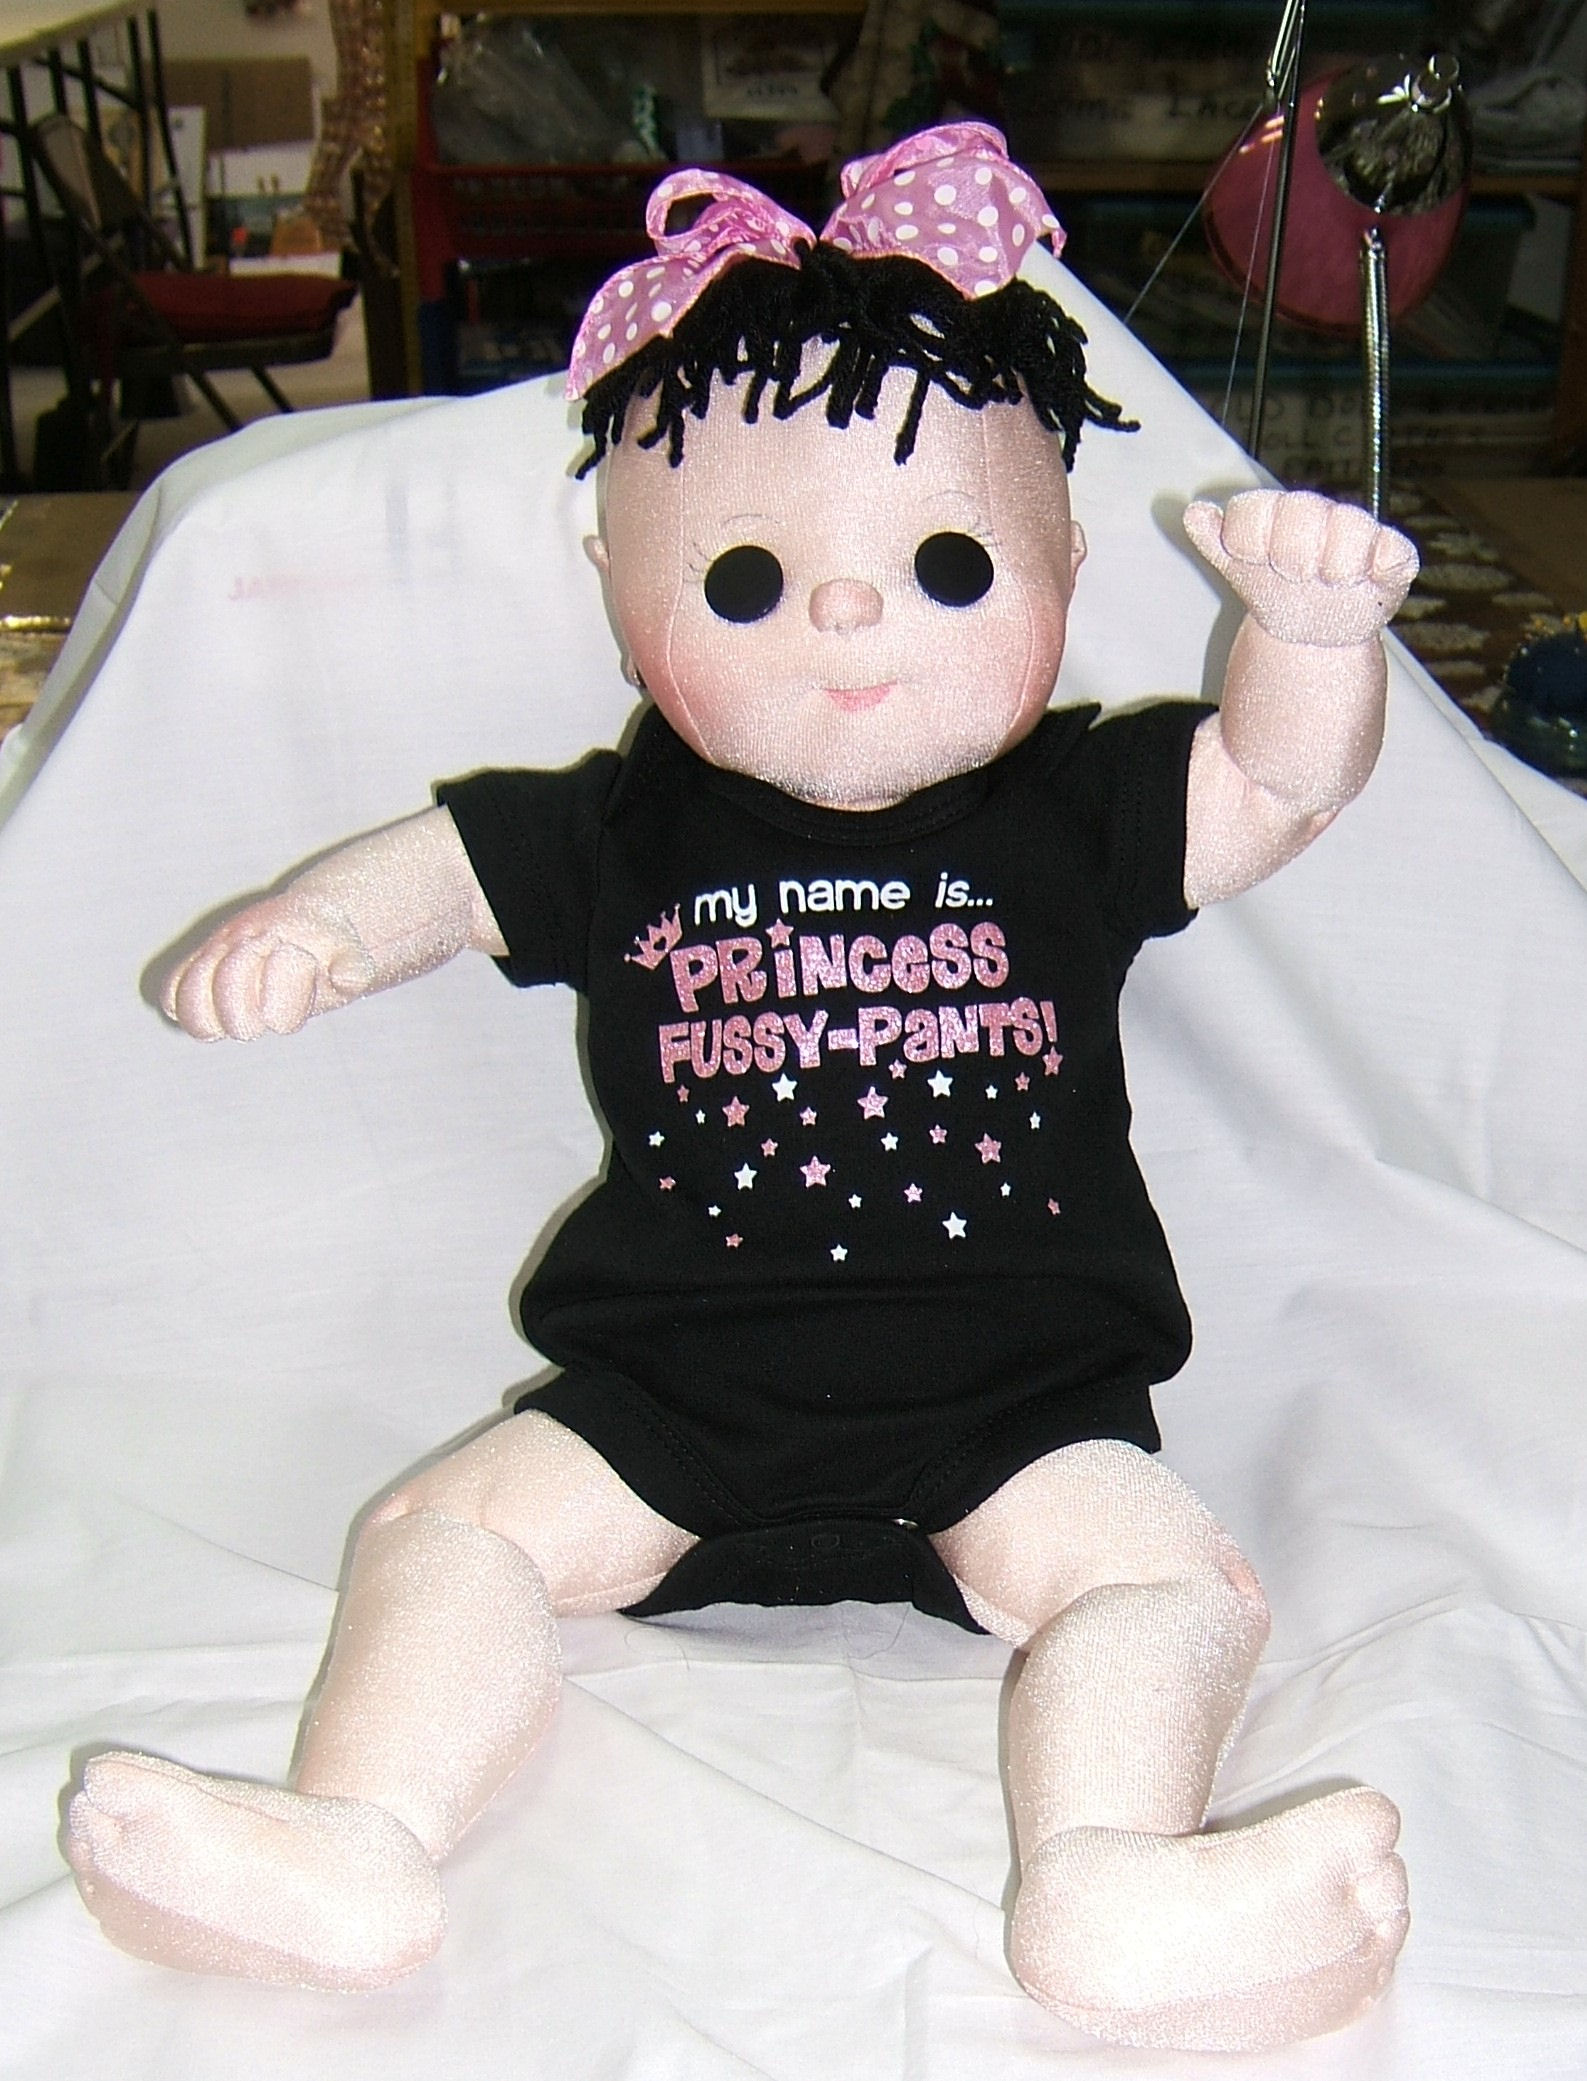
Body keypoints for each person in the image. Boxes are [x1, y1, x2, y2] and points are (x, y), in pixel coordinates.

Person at [66, 124, 1416, 2052]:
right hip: (668, 1392)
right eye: (754, 576)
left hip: (1019, 1402)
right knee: (446, 1533)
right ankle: (355, 1838)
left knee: (1166, 1582)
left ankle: (1116, 1877)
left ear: (1062, 558)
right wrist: (318, 926)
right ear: (620, 586)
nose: (847, 620)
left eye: (942, 562)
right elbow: (443, 876)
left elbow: (1278, 783)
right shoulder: (628, 825)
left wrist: (1311, 637)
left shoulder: (1077, 804)